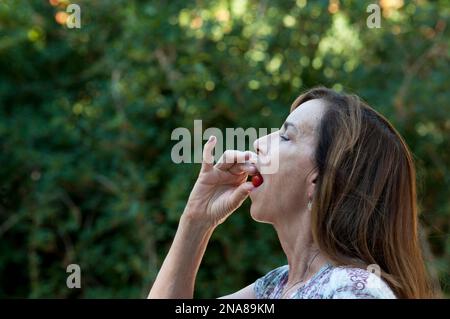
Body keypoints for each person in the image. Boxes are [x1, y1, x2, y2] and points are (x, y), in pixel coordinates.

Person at [148, 87, 435, 299]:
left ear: (319, 181)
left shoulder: (353, 290)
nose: (259, 142)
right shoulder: (275, 288)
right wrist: (197, 220)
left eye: (286, 136)